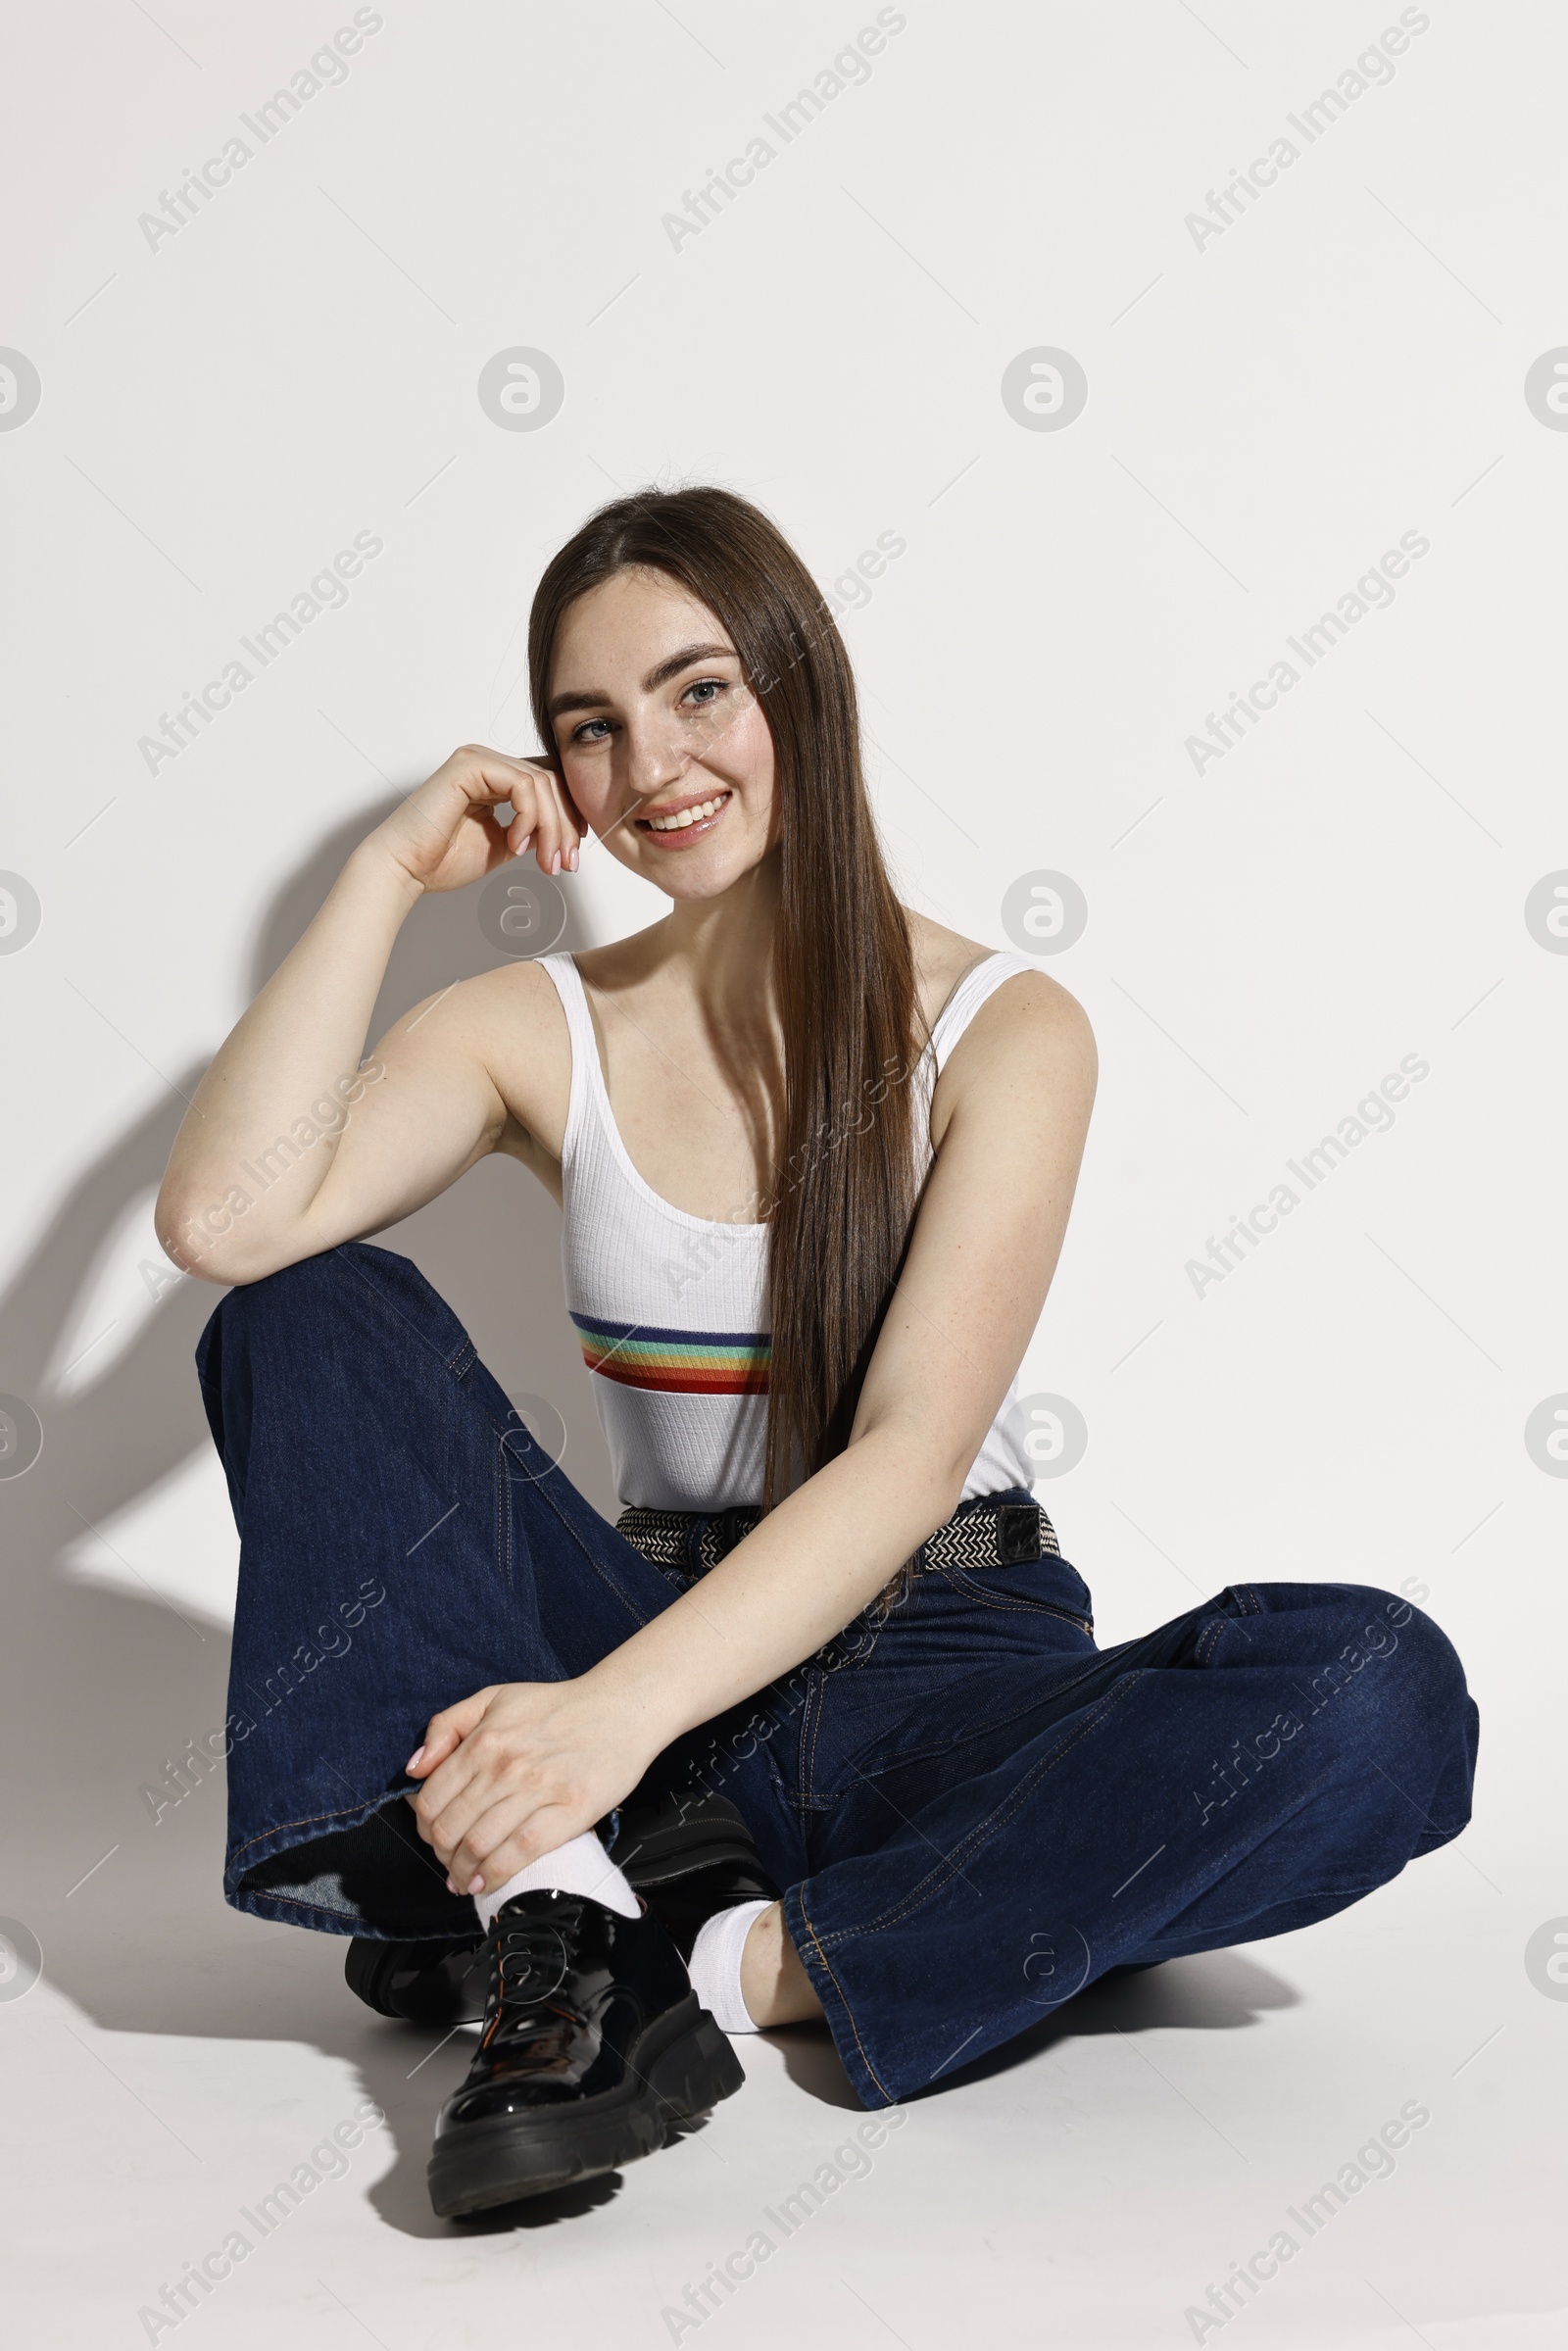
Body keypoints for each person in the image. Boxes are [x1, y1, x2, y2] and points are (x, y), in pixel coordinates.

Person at [156, 486, 1478, 2221]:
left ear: (801, 682)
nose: (655, 766)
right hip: (650, 1638)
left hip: (945, 1659)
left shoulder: (1001, 1028)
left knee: (1382, 1691)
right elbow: (228, 1224)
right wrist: (382, 875)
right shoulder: (529, 1026)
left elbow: (912, 1451)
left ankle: (723, 1948)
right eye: (592, 728)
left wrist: (593, 1734)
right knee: (301, 1310)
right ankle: (574, 1901)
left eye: (702, 691)